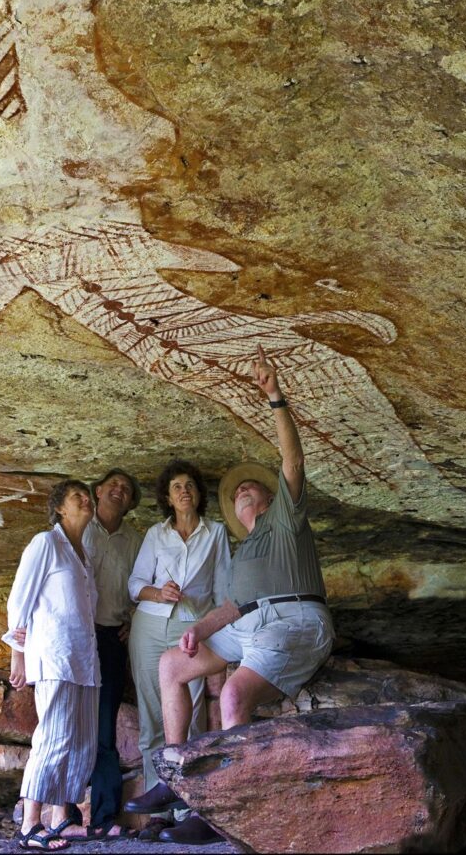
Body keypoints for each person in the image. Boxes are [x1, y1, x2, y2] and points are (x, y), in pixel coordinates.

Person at [135, 345, 335, 845]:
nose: (245, 491)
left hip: (293, 619)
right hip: (247, 623)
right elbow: (231, 607)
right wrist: (199, 631)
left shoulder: (285, 522)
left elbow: (292, 458)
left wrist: (275, 398)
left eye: (254, 488)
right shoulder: (242, 551)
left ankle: (225, 811)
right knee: (171, 666)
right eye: (238, 491)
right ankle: (177, 781)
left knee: (233, 695)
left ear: (269, 499)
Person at [124, 460, 231, 819]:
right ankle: (157, 814)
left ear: (199, 494)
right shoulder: (156, 534)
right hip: (150, 628)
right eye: (176, 487)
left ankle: (188, 812)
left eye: (189, 485)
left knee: (193, 716)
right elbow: (135, 585)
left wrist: (214, 631)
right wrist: (158, 592)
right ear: (167, 498)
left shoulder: (215, 533)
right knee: (153, 716)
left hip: (192, 629)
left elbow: (223, 590)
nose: (184, 491)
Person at [4, 479, 99, 852]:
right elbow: (19, 601)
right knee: (54, 738)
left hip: (84, 658)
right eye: (78, 496)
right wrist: (18, 653)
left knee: (81, 741)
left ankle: (60, 819)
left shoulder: (84, 555)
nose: (87, 500)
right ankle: (30, 825)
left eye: (88, 495)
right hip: (55, 656)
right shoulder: (46, 544)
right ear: (59, 507)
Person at [50, 468, 144, 841]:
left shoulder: (135, 540)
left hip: (108, 638)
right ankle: (65, 814)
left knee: (103, 727)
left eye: (127, 488)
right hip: (74, 636)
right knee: (71, 726)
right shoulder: (76, 530)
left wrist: (134, 619)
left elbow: (145, 583)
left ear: (131, 501)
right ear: (98, 491)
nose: (119, 491)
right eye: (113, 486)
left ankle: (103, 818)